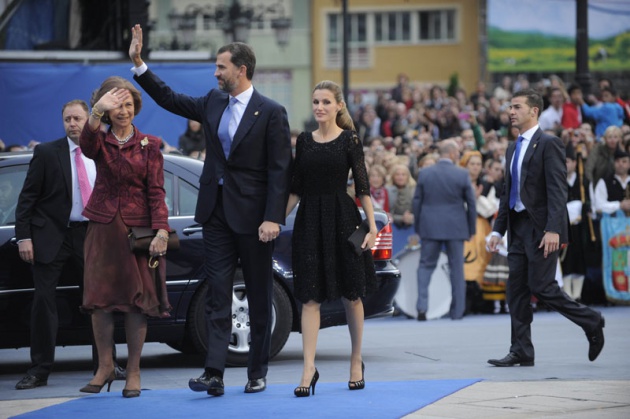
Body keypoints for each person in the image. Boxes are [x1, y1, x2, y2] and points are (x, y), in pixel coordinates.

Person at [129, 25, 292, 396]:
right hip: (215, 214)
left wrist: (273, 217)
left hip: (254, 220)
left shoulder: (271, 112)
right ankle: (214, 373)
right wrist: (140, 65)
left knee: (258, 292)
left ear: (242, 69)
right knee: (218, 292)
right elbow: (170, 99)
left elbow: (280, 171)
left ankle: (257, 371)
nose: (215, 73)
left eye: (221, 67)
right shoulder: (213, 102)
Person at [487, 89, 605, 367]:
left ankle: (592, 321)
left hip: (541, 229)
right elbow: (508, 193)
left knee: (543, 287)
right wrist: (496, 230)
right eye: (510, 106)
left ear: (534, 111)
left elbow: (557, 190)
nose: (511, 111)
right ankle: (521, 350)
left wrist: (553, 229)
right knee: (515, 291)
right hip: (516, 228)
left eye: (517, 107)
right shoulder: (512, 146)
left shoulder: (549, 143)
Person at [13, 100, 121, 390]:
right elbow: (27, 198)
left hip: (92, 236)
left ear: (90, 120)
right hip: (51, 237)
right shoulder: (47, 152)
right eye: (67, 119)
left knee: (99, 303)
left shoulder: (103, 149)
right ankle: (39, 370)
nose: (72, 124)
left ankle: (106, 365)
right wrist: (24, 236)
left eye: (77, 118)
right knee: (44, 304)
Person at [79, 77, 171, 398]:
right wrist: (95, 112)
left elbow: (156, 192)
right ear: (106, 108)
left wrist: (162, 230)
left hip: (137, 232)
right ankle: (105, 366)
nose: (124, 110)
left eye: (129, 104)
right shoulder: (99, 141)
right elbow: (86, 145)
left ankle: (133, 371)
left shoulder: (151, 144)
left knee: (136, 304)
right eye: (117, 104)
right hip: (103, 230)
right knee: (100, 303)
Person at [285, 80, 377, 397]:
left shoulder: (350, 139)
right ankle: (308, 368)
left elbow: (362, 187)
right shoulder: (305, 143)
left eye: (325, 102)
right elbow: (295, 188)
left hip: (342, 217)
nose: (319, 107)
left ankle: (356, 360)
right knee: (310, 297)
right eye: (315, 102)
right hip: (309, 221)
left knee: (352, 294)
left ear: (338, 105)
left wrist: (373, 225)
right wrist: (273, 219)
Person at [412, 139, 477, 321]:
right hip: (456, 227)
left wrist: (418, 226)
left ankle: (422, 308)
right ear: (452, 154)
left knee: (425, 266)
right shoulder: (462, 174)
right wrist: (471, 228)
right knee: (457, 269)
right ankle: (457, 312)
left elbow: (416, 202)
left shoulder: (425, 173)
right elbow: (471, 204)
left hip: (430, 226)